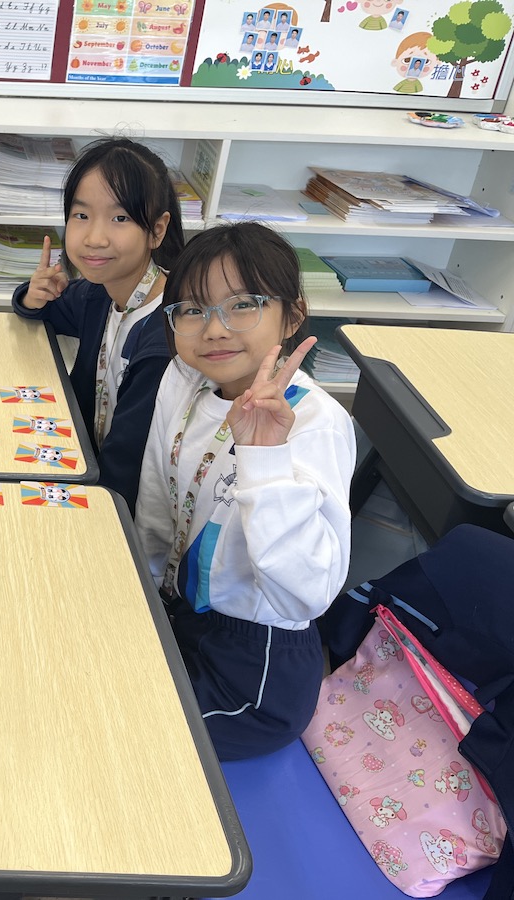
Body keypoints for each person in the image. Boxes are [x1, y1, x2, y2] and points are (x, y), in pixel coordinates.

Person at [135, 222, 355, 761]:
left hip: (256, 670)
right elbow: (157, 502)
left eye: (242, 305)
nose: (214, 329)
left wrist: (264, 457)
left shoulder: (315, 423)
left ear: (293, 315)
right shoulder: (183, 379)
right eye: (192, 309)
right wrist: (140, 597)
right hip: (182, 614)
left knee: (118, 726)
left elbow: (305, 594)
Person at [12, 137, 184, 512]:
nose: (94, 238)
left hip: (121, 505)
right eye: (81, 215)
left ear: (157, 230)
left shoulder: (164, 339)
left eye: (120, 218)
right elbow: (52, 309)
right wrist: (32, 296)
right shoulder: (101, 292)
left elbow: (125, 463)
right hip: (86, 461)